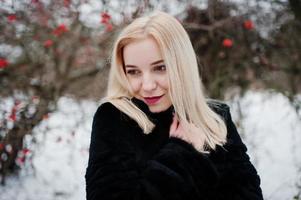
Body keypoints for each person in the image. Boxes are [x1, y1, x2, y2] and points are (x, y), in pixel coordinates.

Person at [85, 10, 264, 200]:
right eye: (134, 72)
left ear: (181, 65)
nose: (147, 85)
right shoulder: (115, 118)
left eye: (160, 68)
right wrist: (181, 153)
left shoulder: (216, 118)